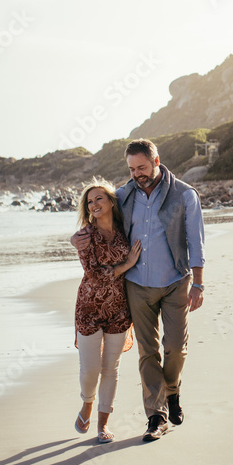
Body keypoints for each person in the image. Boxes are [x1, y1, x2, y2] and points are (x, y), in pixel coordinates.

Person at [73, 139, 205, 442]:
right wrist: (75, 238)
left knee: (175, 349)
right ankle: (156, 417)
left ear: (156, 161)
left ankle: (172, 391)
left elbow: (196, 241)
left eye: (142, 167)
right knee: (147, 352)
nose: (137, 174)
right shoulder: (122, 195)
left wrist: (198, 283)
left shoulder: (184, 195)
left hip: (174, 282)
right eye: (132, 169)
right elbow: (97, 215)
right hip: (136, 286)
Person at [73, 179, 142, 444]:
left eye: (99, 198)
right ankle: (87, 404)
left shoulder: (125, 229)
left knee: (111, 368)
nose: (94, 204)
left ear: (111, 202)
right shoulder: (85, 236)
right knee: (90, 369)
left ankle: (103, 424)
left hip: (119, 308)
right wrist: (128, 264)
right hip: (89, 308)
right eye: (90, 201)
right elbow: (93, 274)